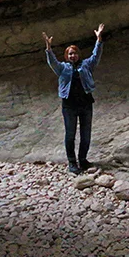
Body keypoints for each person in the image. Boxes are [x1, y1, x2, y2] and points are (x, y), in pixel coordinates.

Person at [42, 24, 105, 174]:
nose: (72, 56)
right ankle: (72, 162)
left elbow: (96, 56)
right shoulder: (63, 68)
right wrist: (49, 48)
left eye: (74, 53)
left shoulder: (86, 65)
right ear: (66, 56)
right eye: (70, 54)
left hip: (86, 104)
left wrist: (99, 39)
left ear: (78, 54)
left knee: (86, 134)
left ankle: (82, 160)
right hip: (69, 105)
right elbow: (52, 63)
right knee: (70, 133)